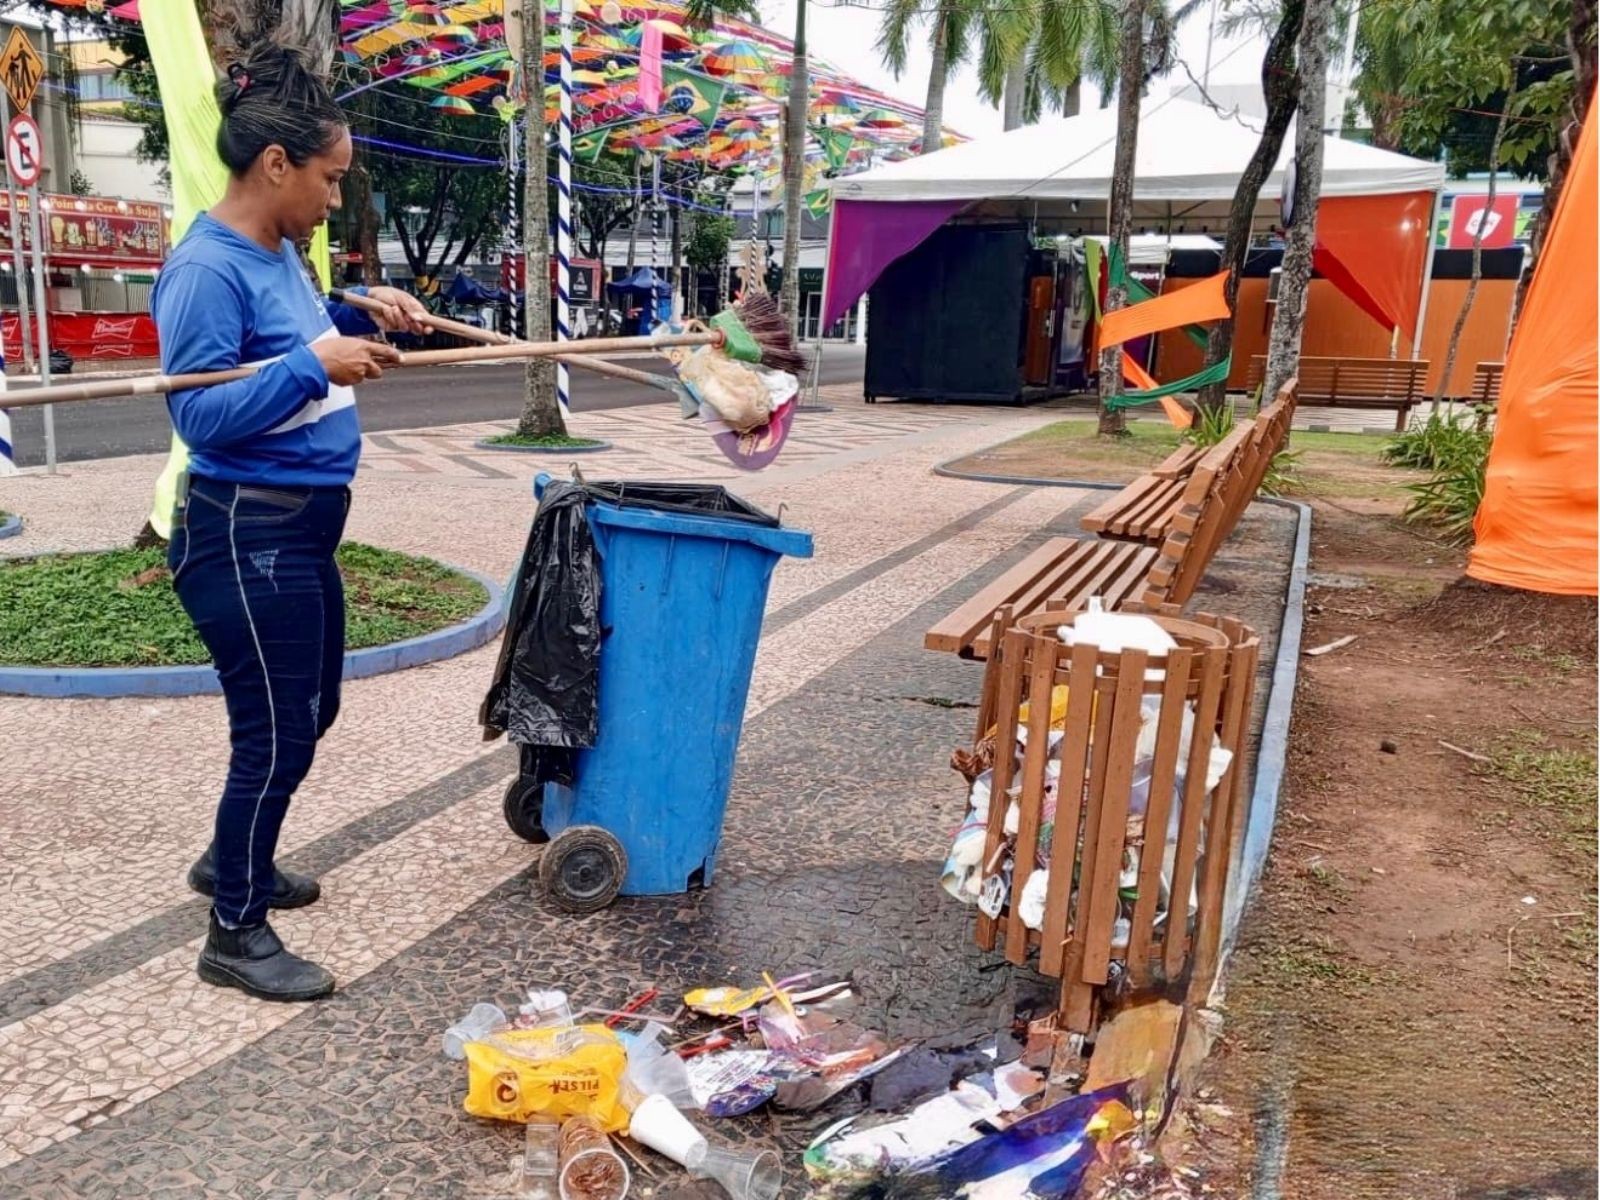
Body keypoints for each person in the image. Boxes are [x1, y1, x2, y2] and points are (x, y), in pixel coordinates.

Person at [152, 43, 428, 1003]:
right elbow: (200, 417)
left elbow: (291, 331)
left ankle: (238, 858)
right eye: (330, 179)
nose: (335, 198)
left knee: (313, 710)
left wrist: (360, 306)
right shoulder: (203, 269)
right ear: (277, 165)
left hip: (301, 529)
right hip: (244, 529)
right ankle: (234, 927)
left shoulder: (279, 253)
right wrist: (318, 364)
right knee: (273, 731)